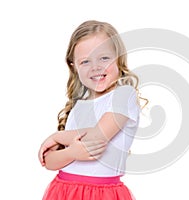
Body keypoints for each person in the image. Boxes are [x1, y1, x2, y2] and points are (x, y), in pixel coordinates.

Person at [38, 20, 144, 200]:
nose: (96, 67)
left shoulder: (123, 95)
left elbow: (96, 139)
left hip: (102, 194)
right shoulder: (78, 104)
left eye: (104, 58)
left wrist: (56, 137)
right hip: (63, 191)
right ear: (74, 66)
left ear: (118, 57)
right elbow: (49, 161)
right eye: (85, 61)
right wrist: (72, 152)